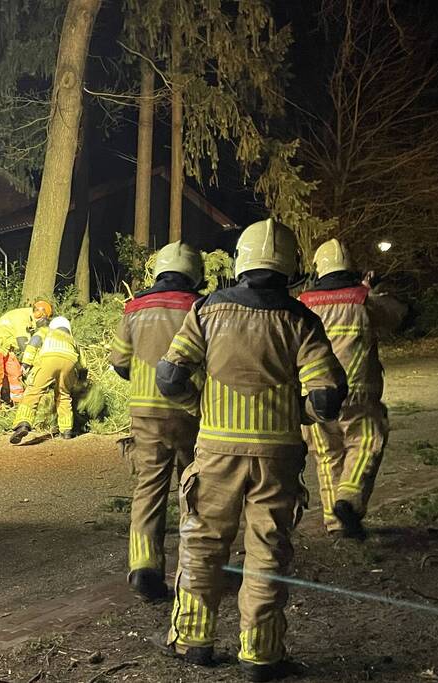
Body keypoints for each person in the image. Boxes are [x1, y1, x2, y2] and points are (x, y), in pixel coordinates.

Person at [156, 219, 347, 681]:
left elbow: (170, 377)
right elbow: (326, 397)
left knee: (201, 544)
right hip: (278, 458)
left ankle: (192, 642)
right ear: (291, 266)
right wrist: (297, 414)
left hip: (217, 452)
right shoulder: (301, 319)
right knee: (267, 552)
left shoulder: (206, 311)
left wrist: (200, 406)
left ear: (241, 261)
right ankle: (261, 655)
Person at [110, 241, 204, 601]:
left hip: (145, 412)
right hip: (190, 411)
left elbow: (120, 361)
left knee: (148, 489)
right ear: (194, 272)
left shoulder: (134, 309)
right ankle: (193, 569)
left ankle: (144, 566)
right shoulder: (201, 307)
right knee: (193, 489)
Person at [299, 239, 407, 539]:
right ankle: (349, 499)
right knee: (365, 443)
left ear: (318, 270)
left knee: (327, 457)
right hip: (359, 393)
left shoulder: (302, 303)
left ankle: (334, 524)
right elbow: (399, 316)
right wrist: (374, 289)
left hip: (314, 396)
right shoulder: (363, 299)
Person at [9, 316, 84, 443]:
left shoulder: (46, 332)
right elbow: (82, 364)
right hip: (69, 361)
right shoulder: (73, 341)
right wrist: (82, 380)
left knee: (34, 392)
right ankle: (66, 430)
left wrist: (26, 364)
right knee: (64, 395)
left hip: (49, 357)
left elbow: (33, 344)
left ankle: (23, 423)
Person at [0, 301, 53, 411]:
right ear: (39, 313)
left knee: (16, 373)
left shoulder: (29, 319)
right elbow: (23, 343)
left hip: (6, 347)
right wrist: (34, 363)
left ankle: (18, 403)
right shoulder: (22, 318)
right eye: (44, 318)